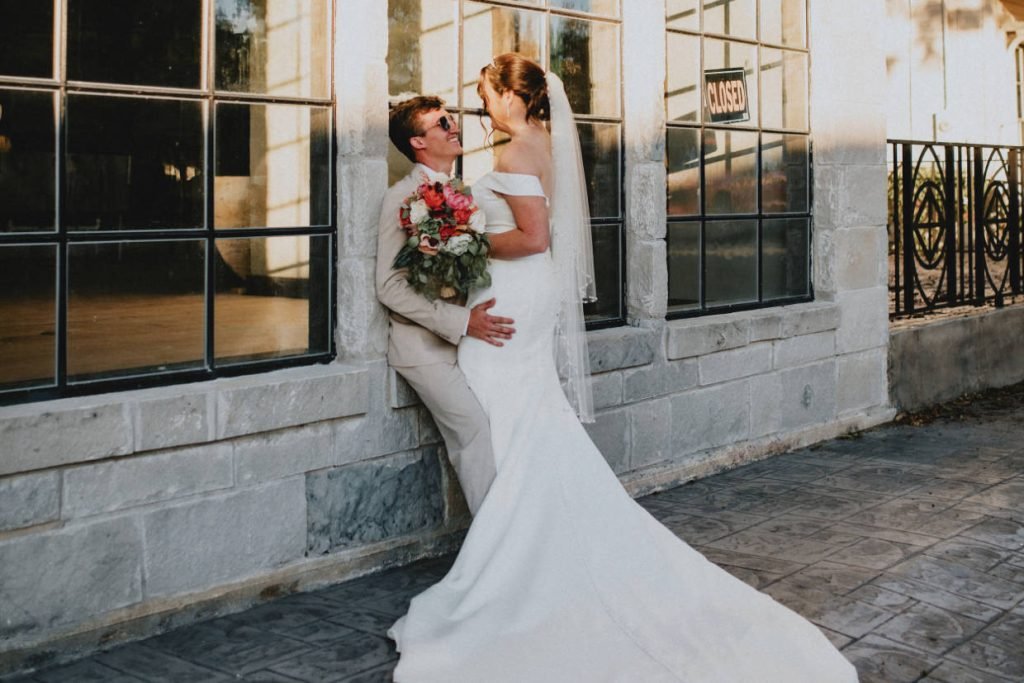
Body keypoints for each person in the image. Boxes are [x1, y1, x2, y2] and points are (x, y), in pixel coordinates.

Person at [387, 55, 859, 682]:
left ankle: (523, 560)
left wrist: (462, 237)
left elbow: (532, 238)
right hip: (517, 297)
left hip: (514, 296)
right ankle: (526, 543)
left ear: (512, 97)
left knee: (510, 413)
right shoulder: (538, 142)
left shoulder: (517, 152)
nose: (480, 106)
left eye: (485, 94)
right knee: (520, 415)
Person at [376, 96, 516, 515]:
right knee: (473, 434)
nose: (454, 126)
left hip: (471, 341)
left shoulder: (462, 192)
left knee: (505, 429)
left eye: (452, 119)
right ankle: (498, 550)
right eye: (442, 123)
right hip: (423, 350)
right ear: (418, 142)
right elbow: (388, 286)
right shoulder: (400, 198)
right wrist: (461, 321)